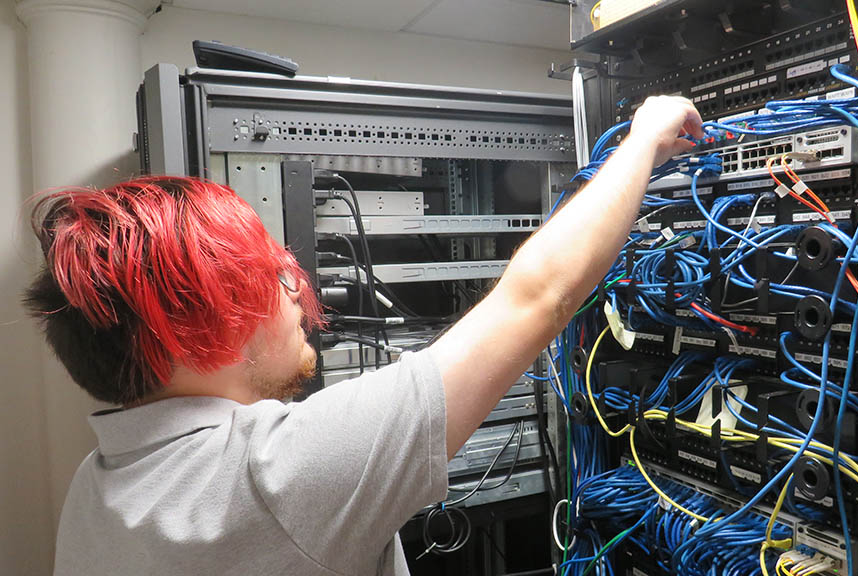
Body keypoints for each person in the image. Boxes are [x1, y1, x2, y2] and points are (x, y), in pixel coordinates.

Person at [24, 96, 703, 576]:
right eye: (266, 274)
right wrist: (644, 138)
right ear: (193, 330)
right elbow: (539, 299)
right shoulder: (272, 478)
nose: (297, 289)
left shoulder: (99, 482)